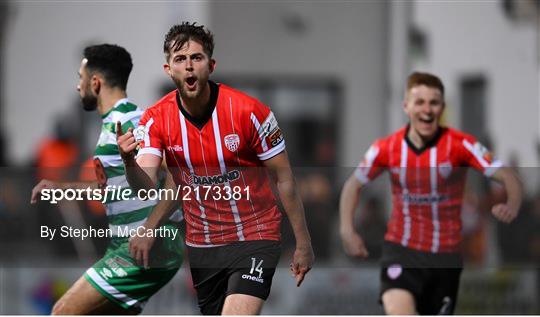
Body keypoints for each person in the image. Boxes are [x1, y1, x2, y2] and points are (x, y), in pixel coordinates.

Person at [117, 22, 314, 315]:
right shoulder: (156, 120)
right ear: (168, 69)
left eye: (196, 58)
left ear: (211, 64)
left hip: (255, 235)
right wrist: (129, 161)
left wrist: (303, 241)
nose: (189, 67)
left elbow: (283, 177)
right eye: (180, 60)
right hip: (203, 246)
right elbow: (147, 185)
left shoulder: (250, 113)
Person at [339, 72, 522, 315]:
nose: (427, 109)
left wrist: (513, 204)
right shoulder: (386, 148)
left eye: (433, 102)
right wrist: (347, 230)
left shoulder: (461, 145)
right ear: (406, 106)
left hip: (444, 257)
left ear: (442, 107)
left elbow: (508, 176)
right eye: (420, 102)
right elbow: (353, 185)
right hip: (401, 250)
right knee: (399, 308)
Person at [30, 44, 184, 314]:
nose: (78, 87)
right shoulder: (114, 123)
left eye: (81, 78)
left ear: (95, 82)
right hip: (128, 244)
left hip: (148, 244)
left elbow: (179, 174)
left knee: (62, 312)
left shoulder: (131, 120)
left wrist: (149, 229)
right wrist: (60, 188)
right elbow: (116, 189)